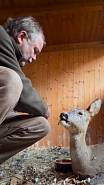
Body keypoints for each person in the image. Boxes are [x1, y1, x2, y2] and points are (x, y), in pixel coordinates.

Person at [0, 16, 50, 164]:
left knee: (41, 126)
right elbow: (23, 91)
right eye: (35, 50)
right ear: (22, 37)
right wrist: (44, 108)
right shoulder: (1, 36)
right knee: (12, 80)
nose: (34, 57)